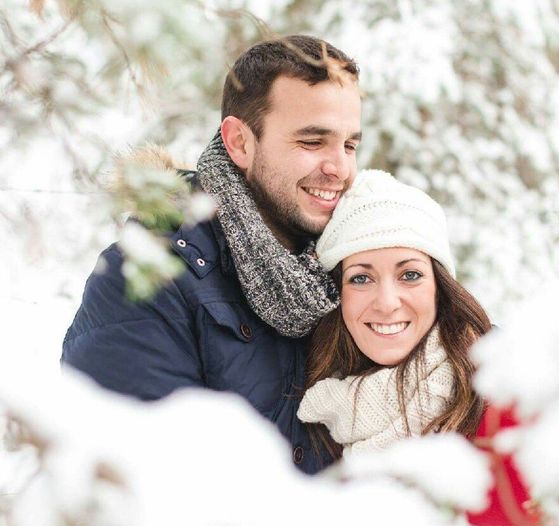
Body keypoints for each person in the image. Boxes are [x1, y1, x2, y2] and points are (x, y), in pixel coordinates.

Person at [62, 35, 362, 477]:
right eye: (313, 142)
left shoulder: (357, 267)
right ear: (240, 142)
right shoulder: (147, 279)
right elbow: (143, 499)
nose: (340, 169)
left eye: (350, 145)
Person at [298, 169, 542, 526]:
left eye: (409, 275)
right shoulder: (319, 408)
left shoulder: (500, 398)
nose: (387, 302)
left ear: (439, 288)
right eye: (361, 278)